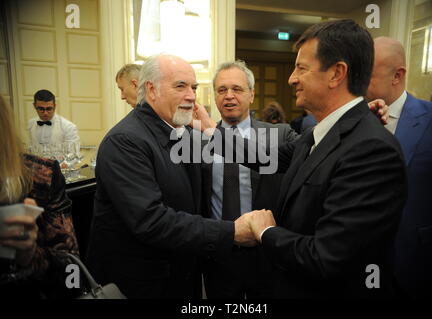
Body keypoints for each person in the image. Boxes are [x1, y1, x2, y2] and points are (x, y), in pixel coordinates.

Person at [194, 19, 407, 298]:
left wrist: (266, 232)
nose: (292, 78)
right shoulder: (316, 135)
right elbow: (261, 155)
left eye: (301, 68)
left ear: (336, 74)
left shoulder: (371, 150)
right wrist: (212, 132)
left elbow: (327, 257)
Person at [86, 54, 259, 299]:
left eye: (194, 88)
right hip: (142, 284)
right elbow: (151, 221)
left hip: (180, 276)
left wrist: (210, 130)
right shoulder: (125, 141)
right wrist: (231, 232)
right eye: (180, 86)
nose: (191, 96)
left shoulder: (182, 133)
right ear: (151, 89)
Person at [202, 61, 298, 299]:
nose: (229, 96)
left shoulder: (281, 134)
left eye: (237, 89)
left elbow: (319, 146)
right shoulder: (198, 140)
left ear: (252, 94)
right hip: (218, 254)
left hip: (266, 255)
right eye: (222, 90)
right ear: (215, 96)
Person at [366, 37, 432, 298]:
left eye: (367, 73)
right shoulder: (352, 118)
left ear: (397, 75)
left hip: (416, 262)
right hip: (356, 263)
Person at [0, 95, 80, 299]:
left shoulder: (41, 174)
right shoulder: (29, 126)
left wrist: (28, 254)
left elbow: (70, 263)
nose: (45, 113)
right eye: (41, 109)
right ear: (34, 107)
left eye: (49, 109)